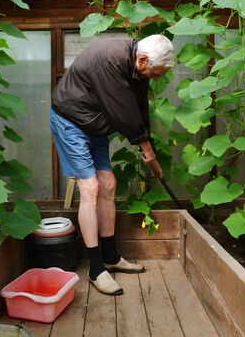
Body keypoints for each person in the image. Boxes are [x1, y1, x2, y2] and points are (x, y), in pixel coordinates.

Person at [50, 34, 175, 295]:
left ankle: (110, 257)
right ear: (142, 59)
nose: (157, 78)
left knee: (108, 184)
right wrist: (145, 147)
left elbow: (139, 108)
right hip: (71, 121)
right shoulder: (111, 58)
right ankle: (96, 269)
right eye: (156, 73)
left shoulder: (136, 68)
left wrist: (147, 141)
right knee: (91, 187)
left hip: (95, 124)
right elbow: (123, 111)